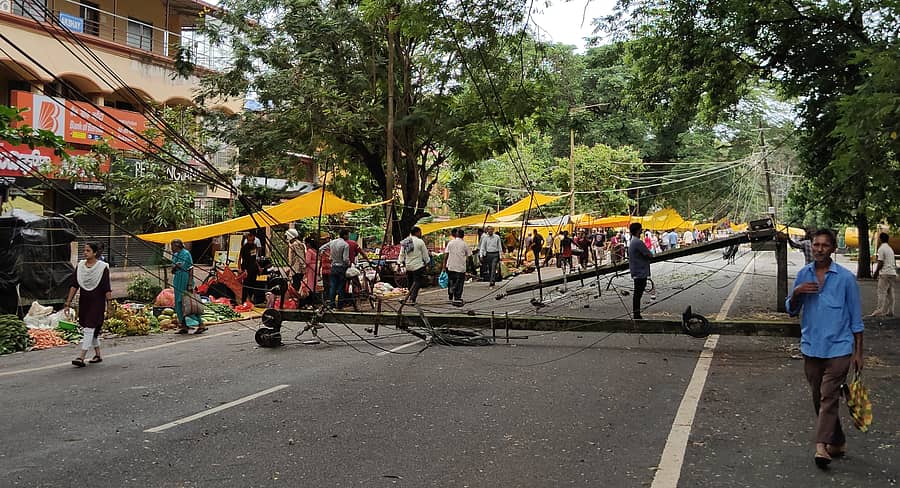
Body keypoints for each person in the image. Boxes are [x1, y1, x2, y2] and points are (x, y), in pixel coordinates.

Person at [786, 229, 864, 468]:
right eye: (816, 245)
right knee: (818, 398)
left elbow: (856, 319)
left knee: (828, 395)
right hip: (812, 347)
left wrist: (859, 353)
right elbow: (791, 309)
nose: (820, 249)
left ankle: (821, 446)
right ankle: (837, 440)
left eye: (825, 245)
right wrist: (797, 292)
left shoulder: (845, 279)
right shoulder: (803, 274)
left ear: (833, 249)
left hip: (839, 348)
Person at [65, 242, 111, 367]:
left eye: (88, 250)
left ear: (95, 253)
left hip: (98, 302)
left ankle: (81, 357)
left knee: (89, 327)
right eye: (84, 250)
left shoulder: (102, 267)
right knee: (91, 329)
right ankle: (98, 355)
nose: (85, 253)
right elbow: (74, 285)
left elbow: (107, 287)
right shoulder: (80, 266)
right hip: (84, 301)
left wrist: (110, 305)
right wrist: (68, 302)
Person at [169, 239, 204, 334]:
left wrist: (189, 283)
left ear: (177, 246)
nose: (171, 248)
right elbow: (172, 270)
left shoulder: (186, 254)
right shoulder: (175, 255)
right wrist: (175, 268)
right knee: (178, 304)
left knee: (187, 303)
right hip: (177, 280)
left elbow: (190, 269)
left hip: (185, 279)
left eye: (172, 246)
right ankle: (183, 325)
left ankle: (200, 324)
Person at [627, 223, 652, 320]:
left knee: (637, 293)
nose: (642, 231)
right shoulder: (638, 242)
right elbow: (649, 254)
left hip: (637, 270)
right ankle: (636, 314)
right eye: (641, 229)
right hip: (640, 271)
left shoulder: (633, 241)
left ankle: (636, 313)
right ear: (638, 230)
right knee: (638, 294)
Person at [320, 229, 350, 309]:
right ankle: (340, 305)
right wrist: (349, 263)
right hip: (341, 267)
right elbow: (345, 259)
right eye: (348, 235)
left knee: (332, 286)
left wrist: (329, 256)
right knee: (341, 287)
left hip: (333, 267)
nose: (348, 236)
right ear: (344, 235)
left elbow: (321, 249)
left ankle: (332, 304)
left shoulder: (332, 242)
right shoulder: (345, 245)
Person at [399, 226, 430, 304]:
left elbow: (401, 254)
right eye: (420, 232)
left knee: (410, 282)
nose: (421, 233)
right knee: (417, 282)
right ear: (417, 232)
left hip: (408, 266)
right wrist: (427, 262)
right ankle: (412, 298)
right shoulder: (420, 242)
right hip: (418, 266)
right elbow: (425, 255)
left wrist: (400, 263)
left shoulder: (405, 241)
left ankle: (409, 297)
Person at [869, 232, 896, 317]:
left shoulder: (881, 249)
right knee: (890, 292)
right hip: (892, 273)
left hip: (885, 273)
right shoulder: (890, 249)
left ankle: (879, 311)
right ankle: (890, 310)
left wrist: (876, 273)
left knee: (881, 292)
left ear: (880, 239)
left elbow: (880, 262)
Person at [444, 228, 472, 305]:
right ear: (463, 235)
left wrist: (443, 266)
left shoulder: (450, 243)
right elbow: (469, 256)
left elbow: (446, 255)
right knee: (459, 283)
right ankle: (457, 297)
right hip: (460, 267)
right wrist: (470, 267)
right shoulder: (464, 244)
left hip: (450, 266)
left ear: (456, 234)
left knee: (451, 281)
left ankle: (450, 294)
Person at [238, 231, 260, 303]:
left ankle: (250, 299)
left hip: (253, 268)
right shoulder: (244, 248)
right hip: (246, 268)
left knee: (252, 284)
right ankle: (243, 301)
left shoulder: (254, 247)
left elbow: (254, 258)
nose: (251, 241)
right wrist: (240, 269)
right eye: (249, 240)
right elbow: (239, 258)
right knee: (245, 285)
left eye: (252, 240)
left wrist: (258, 267)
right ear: (247, 239)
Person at [286, 228, 307, 297]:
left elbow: (301, 256)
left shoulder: (296, 244)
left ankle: (296, 299)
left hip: (297, 269)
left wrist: (303, 267)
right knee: (295, 284)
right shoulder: (295, 244)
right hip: (295, 268)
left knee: (296, 285)